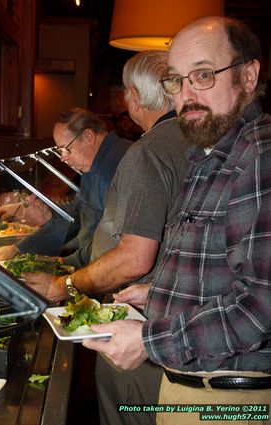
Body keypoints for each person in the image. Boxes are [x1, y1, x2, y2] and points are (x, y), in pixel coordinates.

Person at [73, 16, 271, 425]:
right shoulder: (211, 153)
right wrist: (162, 292)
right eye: (176, 81)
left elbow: (261, 308)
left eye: (202, 75)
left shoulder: (260, 156)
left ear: (248, 75)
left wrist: (148, 338)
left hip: (227, 404)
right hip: (195, 390)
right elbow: (223, 270)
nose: (186, 96)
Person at [22, 50, 190, 425]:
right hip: (172, 320)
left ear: (133, 95)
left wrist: (64, 283)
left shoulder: (148, 151)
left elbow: (132, 257)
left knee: (131, 412)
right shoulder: (188, 140)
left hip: (141, 320)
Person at [0, 108, 132, 268]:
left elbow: (111, 247)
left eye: (66, 149)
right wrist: (19, 249)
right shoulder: (97, 161)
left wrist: (55, 264)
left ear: (88, 137)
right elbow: (76, 213)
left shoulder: (113, 169)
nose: (63, 158)